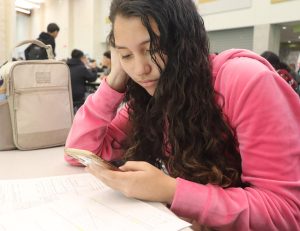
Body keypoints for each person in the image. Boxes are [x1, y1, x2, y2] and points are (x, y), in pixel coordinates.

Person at [65, 0, 300, 230]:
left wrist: (171, 190)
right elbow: (80, 153)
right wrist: (115, 79)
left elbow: (286, 212)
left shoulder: (246, 82)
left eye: (152, 50)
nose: (140, 69)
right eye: (126, 55)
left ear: (184, 41)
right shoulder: (150, 98)